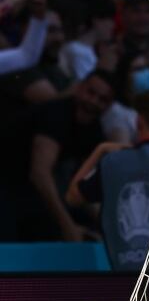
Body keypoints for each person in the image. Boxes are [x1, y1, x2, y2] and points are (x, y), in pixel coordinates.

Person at [65, 89, 149, 271]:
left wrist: (100, 150)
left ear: (139, 121)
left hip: (127, 280)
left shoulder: (112, 163)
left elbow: (72, 197)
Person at [27, 68, 114, 241]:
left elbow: (83, 182)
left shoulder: (94, 130)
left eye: (102, 100)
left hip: (45, 193)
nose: (93, 102)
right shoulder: (56, 114)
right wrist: (67, 226)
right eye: (90, 92)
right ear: (79, 88)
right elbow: (39, 174)